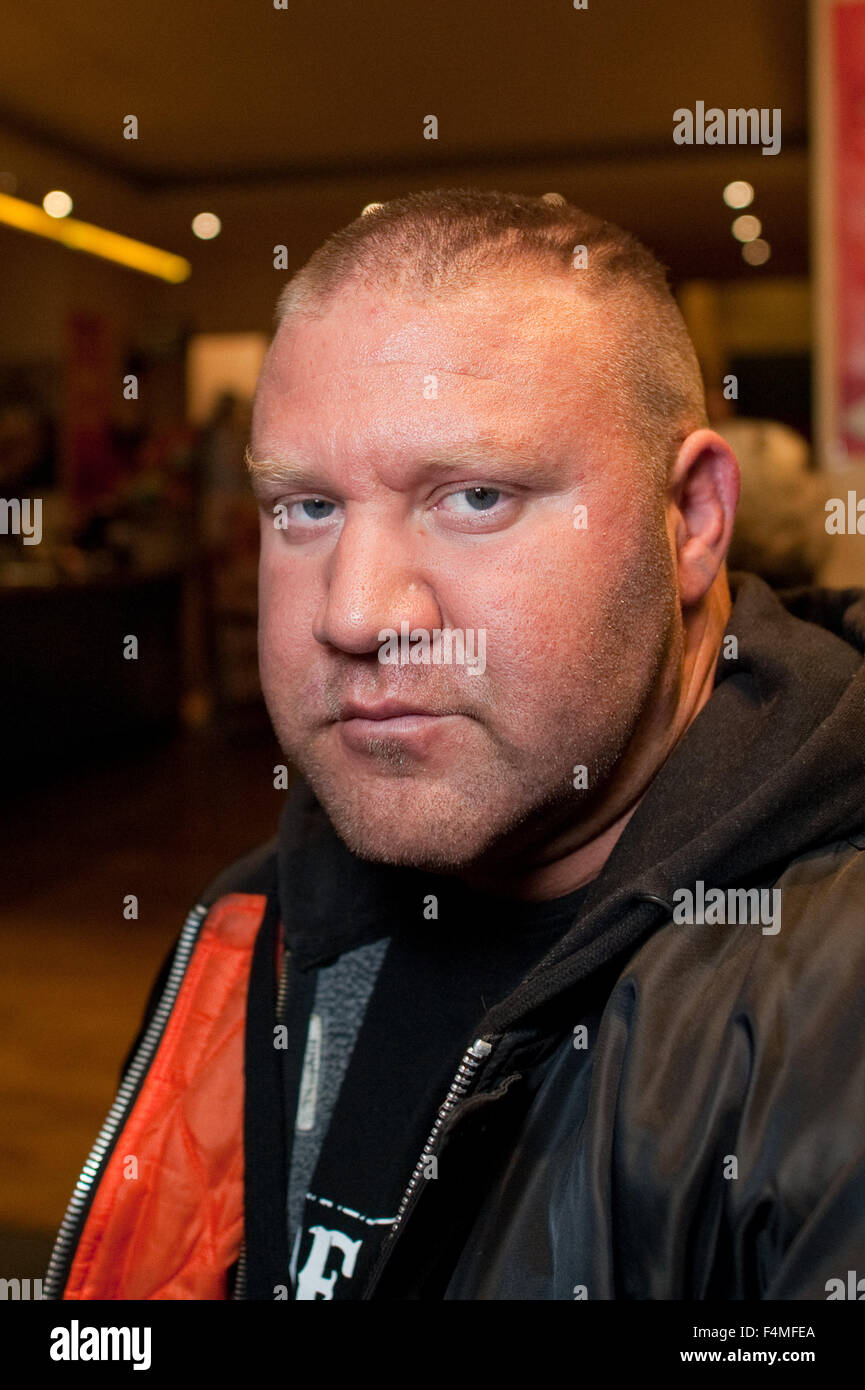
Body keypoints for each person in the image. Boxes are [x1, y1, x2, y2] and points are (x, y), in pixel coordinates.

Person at [45, 189, 865, 1301]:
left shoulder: (830, 1023)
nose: (354, 611)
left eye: (474, 495)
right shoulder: (255, 930)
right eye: (305, 508)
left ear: (693, 521)